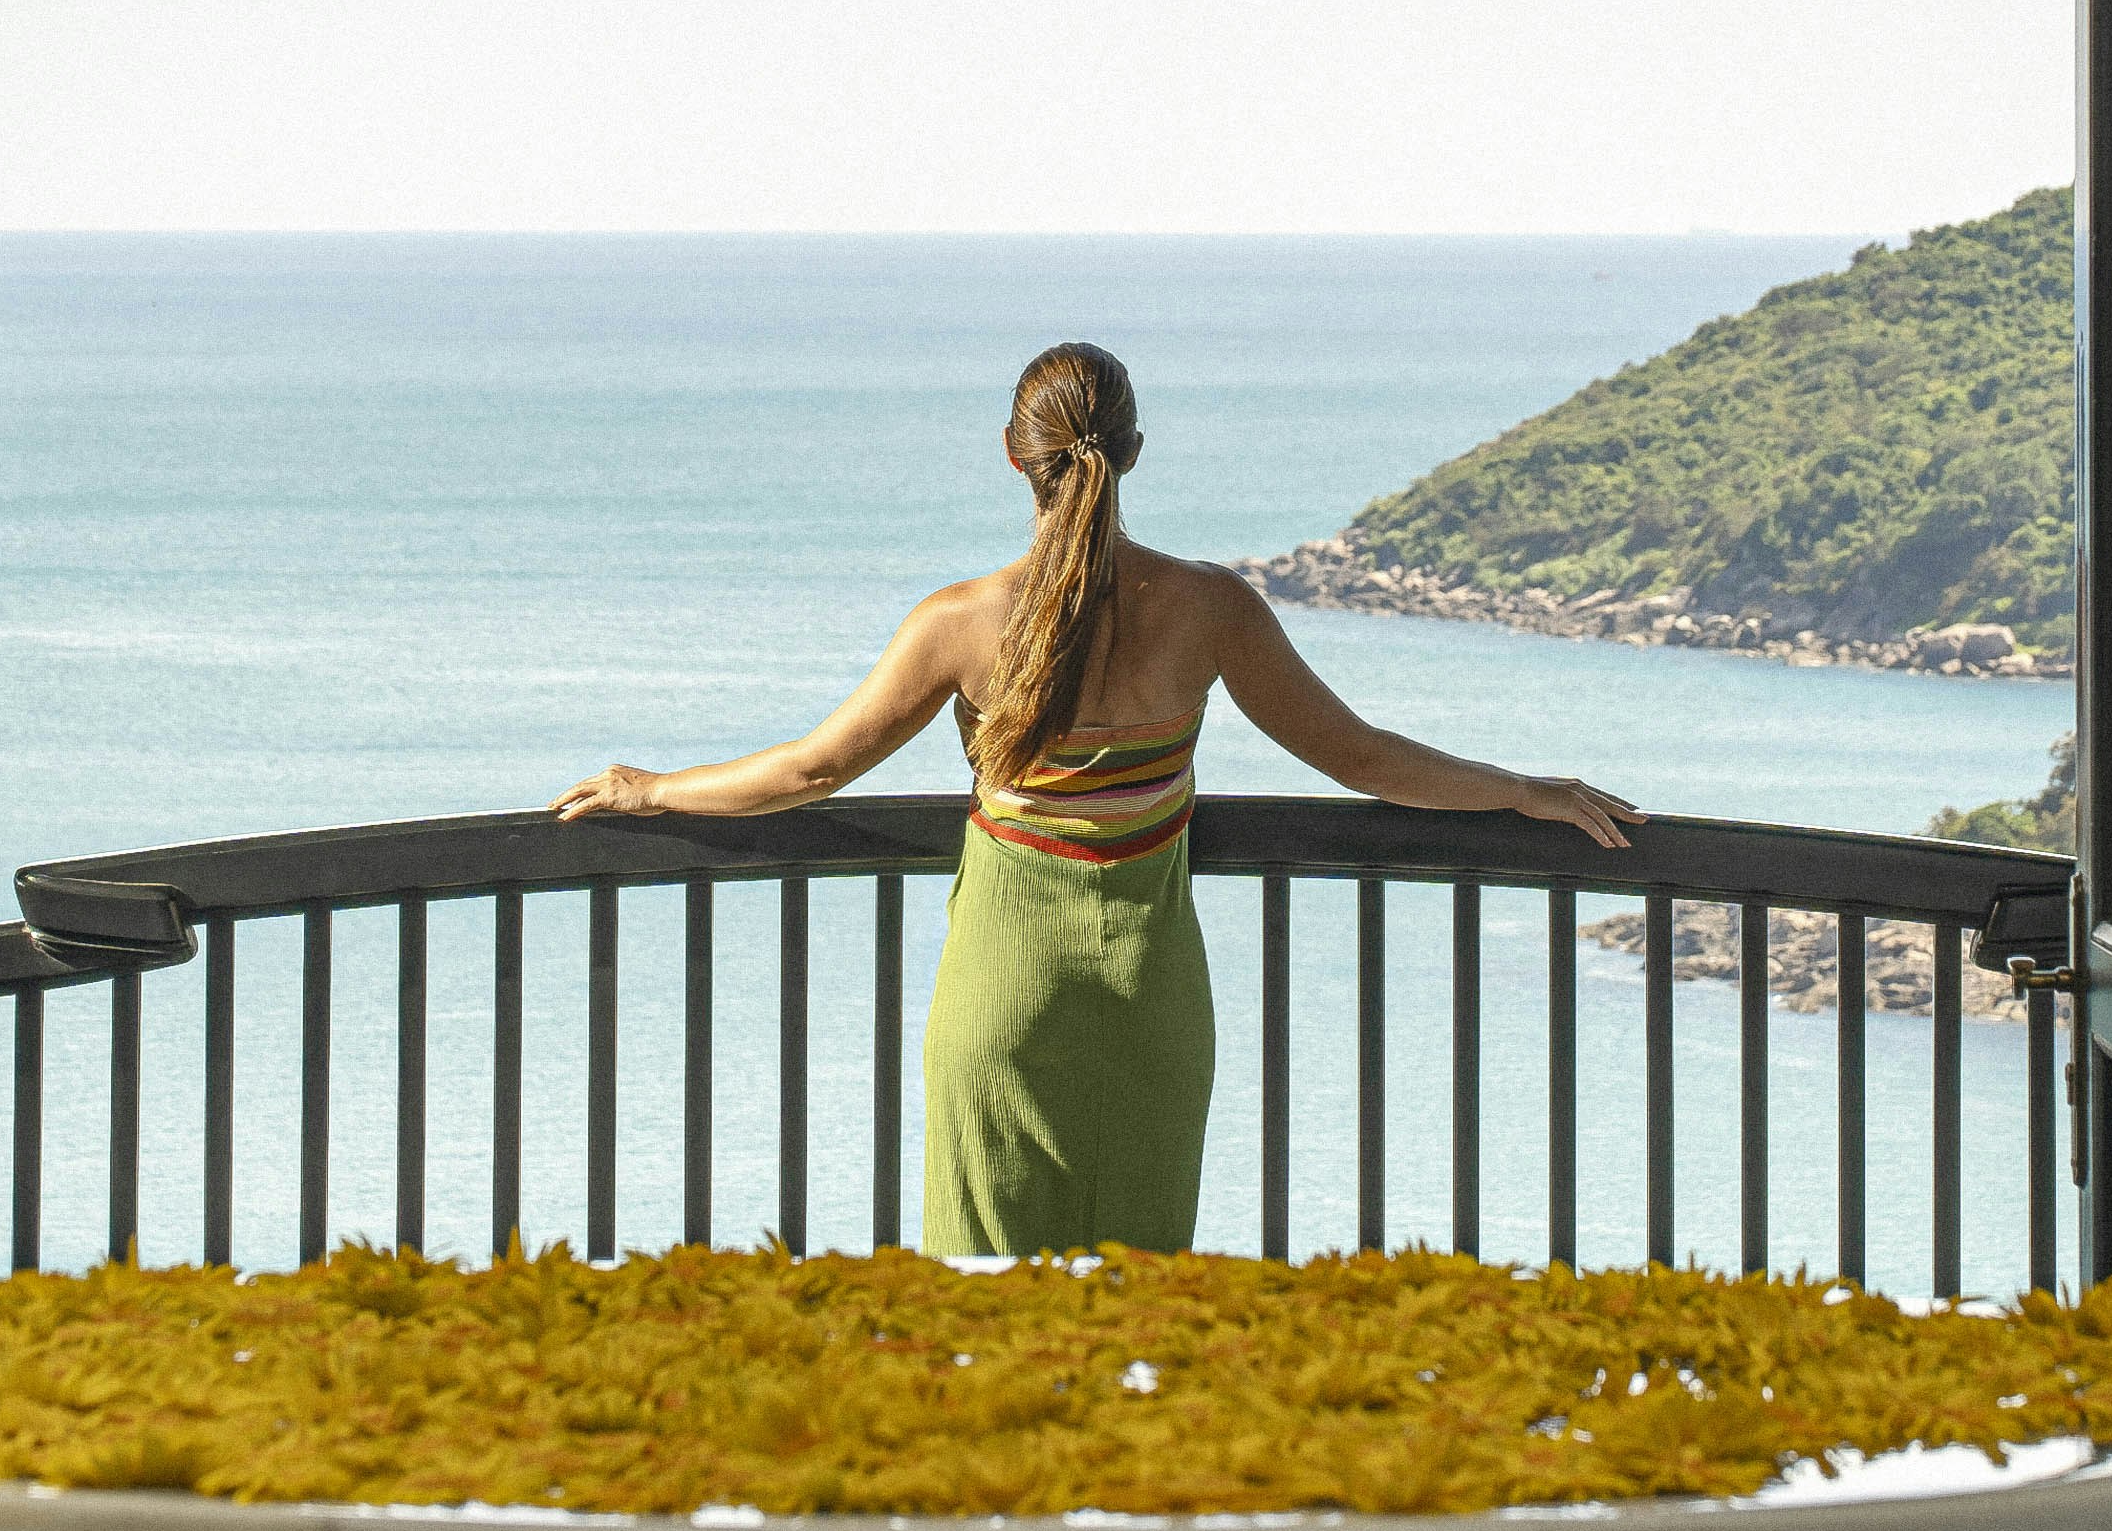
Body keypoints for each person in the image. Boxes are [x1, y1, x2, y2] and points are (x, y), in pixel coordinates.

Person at [546, 340, 1642, 1254]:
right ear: (1134, 455)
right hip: (1149, 997)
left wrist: (654, 790)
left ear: (1013, 460)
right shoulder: (1211, 610)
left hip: (1002, 992)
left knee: (980, 1293)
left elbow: (811, 772)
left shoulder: (958, 623)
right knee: (1140, 1292)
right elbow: (1357, 758)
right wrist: (1520, 791)